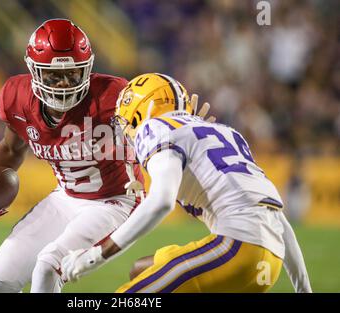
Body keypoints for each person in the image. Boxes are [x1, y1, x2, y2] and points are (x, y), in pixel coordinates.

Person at [60, 73, 312, 293]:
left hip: (235, 249)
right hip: (268, 262)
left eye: (128, 121)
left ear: (143, 112)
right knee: (142, 270)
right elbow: (277, 220)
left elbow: (161, 203)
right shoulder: (227, 133)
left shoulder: (155, 127)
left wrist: (95, 256)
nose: (127, 130)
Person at [0, 19, 145, 293]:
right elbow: (11, 148)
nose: (63, 84)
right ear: (35, 72)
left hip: (115, 201)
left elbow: (159, 125)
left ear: (88, 69)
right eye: (53, 75)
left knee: (48, 266)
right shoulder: (18, 98)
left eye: (73, 74)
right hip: (66, 197)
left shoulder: (115, 95)